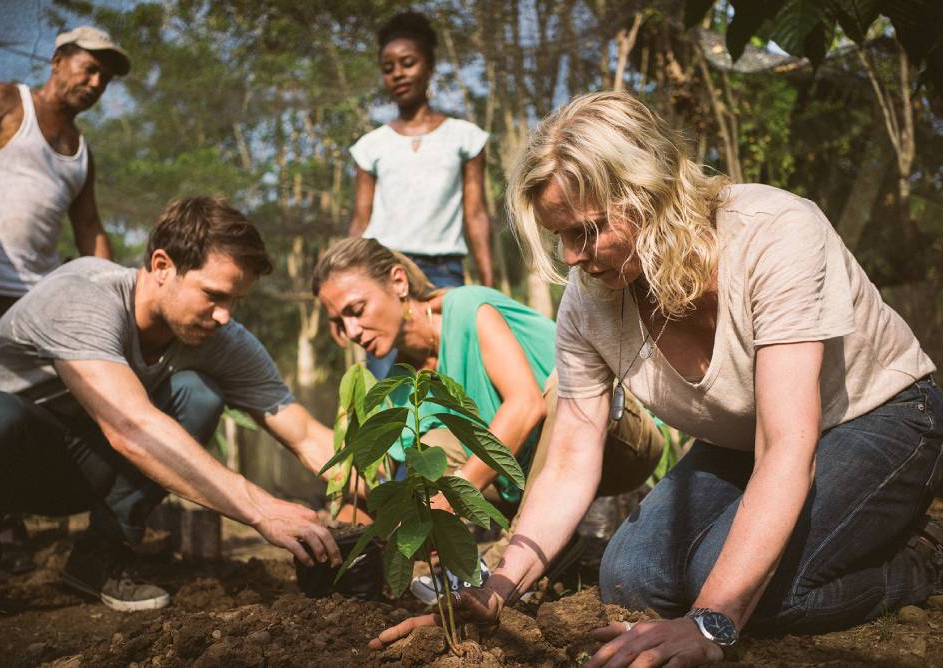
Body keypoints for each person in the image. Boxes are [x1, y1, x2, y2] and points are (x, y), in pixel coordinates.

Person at [369, 91, 943, 666]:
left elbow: (788, 442)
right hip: (743, 441)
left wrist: (711, 622)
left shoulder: (775, 231)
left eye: (587, 231)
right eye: (559, 236)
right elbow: (569, 458)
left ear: (650, 195)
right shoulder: (588, 303)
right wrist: (498, 586)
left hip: (880, 415)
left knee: (755, 596)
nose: (571, 257)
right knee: (632, 579)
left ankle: (921, 559)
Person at [0, 196, 342, 666]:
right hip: (1, 469)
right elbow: (129, 427)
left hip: (91, 472)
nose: (225, 315)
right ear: (161, 265)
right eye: (213, 295)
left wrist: (387, 492)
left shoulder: (218, 337)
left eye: (235, 299)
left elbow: (299, 428)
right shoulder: (81, 296)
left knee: (199, 393)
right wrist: (262, 509)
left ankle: (101, 557)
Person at [313, 237, 664, 585]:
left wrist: (454, 494)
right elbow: (381, 479)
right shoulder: (399, 385)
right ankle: (552, 548)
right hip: (534, 478)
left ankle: (508, 559)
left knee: (561, 389)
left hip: (618, 439)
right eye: (339, 323)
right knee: (428, 449)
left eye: (356, 311)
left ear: (399, 282)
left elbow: (526, 406)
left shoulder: (466, 307)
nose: (352, 331)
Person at [0, 25, 125, 392]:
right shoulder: (6, 102)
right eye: (89, 69)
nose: (95, 83)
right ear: (57, 61)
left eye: (104, 79)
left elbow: (89, 225)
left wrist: (113, 291)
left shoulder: (81, 153)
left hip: (27, 304)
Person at [348, 11, 494, 377]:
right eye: (388, 67)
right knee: (387, 381)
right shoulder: (371, 146)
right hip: (381, 271)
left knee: (450, 377)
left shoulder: (465, 138)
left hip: (443, 274)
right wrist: (346, 289)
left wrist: (487, 285)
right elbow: (360, 221)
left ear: (429, 67)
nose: (397, 73)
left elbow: (475, 214)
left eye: (407, 63)